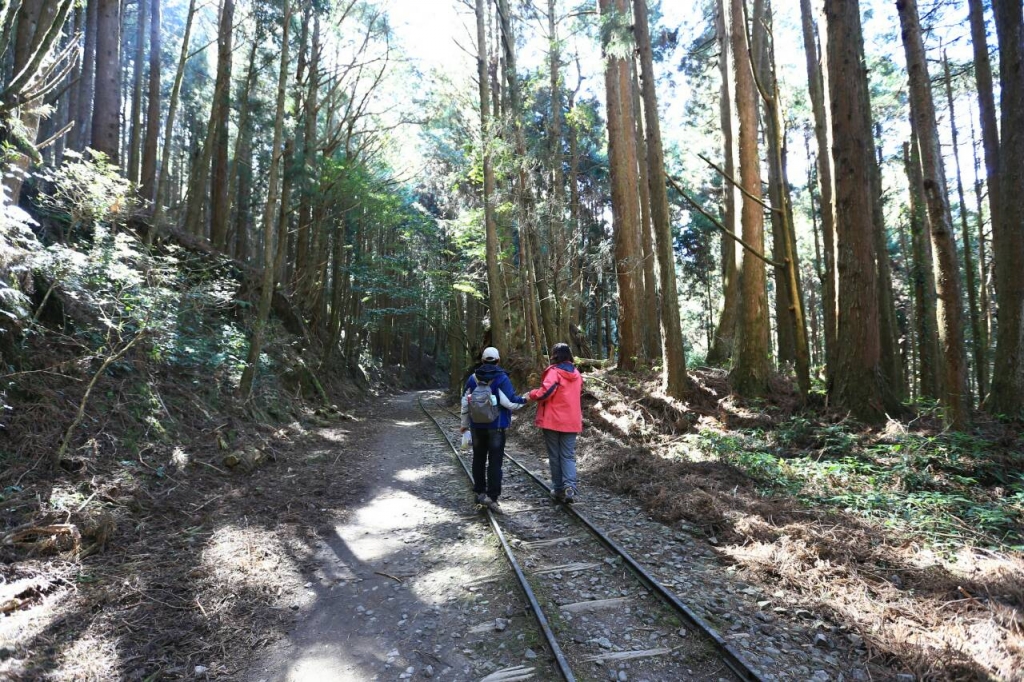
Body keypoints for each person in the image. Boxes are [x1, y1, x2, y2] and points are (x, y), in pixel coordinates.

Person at [460, 346, 527, 513]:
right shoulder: (501, 378)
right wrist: (525, 400)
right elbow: (510, 402)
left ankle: (480, 492)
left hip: (476, 427)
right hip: (496, 427)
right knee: (495, 463)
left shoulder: (473, 378)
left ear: (482, 360)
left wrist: (464, 425)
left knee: (478, 459)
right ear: (498, 360)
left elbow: (464, 402)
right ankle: (492, 496)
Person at [527, 343, 584, 503]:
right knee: (568, 455)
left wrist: (532, 394)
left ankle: (558, 488)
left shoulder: (554, 372)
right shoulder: (577, 374)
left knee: (555, 455)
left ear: (555, 355)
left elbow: (546, 392)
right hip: (572, 420)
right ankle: (570, 487)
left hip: (552, 420)